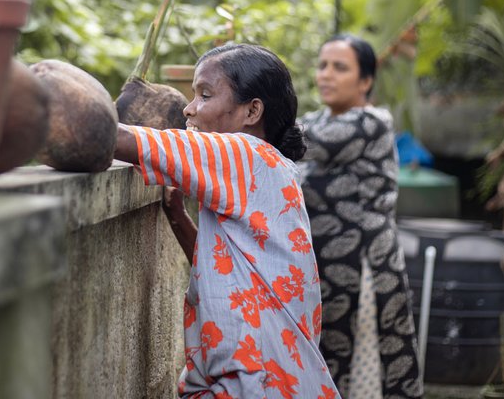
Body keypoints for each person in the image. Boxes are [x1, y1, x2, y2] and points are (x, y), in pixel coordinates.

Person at [115, 44, 340, 399]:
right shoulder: (272, 168)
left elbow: (121, 140)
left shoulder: (246, 153)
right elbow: (228, 274)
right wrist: (178, 217)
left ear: (252, 111)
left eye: (205, 95)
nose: (190, 108)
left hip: (255, 384)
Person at [298, 34, 423, 399]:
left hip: (365, 266)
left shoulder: (370, 122)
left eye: (340, 67)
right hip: (322, 269)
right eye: (322, 66)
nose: (326, 75)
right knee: (327, 362)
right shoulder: (315, 119)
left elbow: (299, 142)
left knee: (367, 366)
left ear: (365, 81)